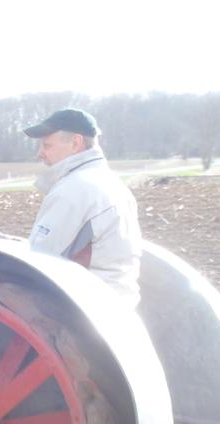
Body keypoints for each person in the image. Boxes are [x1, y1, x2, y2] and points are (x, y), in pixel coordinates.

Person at [24, 108, 142, 302]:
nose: (41, 154)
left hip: (86, 305)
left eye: (47, 145)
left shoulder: (75, 190)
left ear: (76, 143)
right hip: (117, 299)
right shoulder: (109, 182)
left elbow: (41, 261)